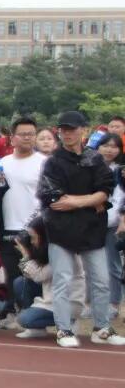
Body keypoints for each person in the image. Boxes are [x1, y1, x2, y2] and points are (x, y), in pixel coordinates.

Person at [37, 111, 125, 347]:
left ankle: (102, 328)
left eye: (72, 129)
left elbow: (105, 190)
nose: (67, 133)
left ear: (83, 130)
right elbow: (53, 198)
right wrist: (91, 200)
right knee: (63, 280)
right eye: (63, 129)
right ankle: (63, 329)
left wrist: (77, 201)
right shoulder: (53, 162)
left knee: (101, 280)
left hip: (92, 229)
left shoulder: (94, 159)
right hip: (61, 229)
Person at [0, 117, 47, 324]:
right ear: (12, 138)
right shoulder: (1, 163)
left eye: (31, 134)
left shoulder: (44, 162)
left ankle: (32, 314)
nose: (27, 138)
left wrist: (37, 224)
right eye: (22, 134)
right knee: (9, 272)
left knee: (34, 273)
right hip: (8, 226)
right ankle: (8, 311)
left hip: (35, 229)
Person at [14, 214, 85, 339]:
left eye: (33, 238)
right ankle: (37, 329)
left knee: (25, 319)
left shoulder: (62, 252)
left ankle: (69, 321)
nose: (31, 242)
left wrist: (26, 254)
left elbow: (39, 276)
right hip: (52, 298)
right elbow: (28, 274)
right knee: (20, 282)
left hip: (68, 302)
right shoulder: (47, 250)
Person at [93, 132, 125, 316]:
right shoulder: (90, 168)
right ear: (97, 147)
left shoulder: (120, 171)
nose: (109, 150)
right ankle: (92, 302)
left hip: (113, 223)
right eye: (105, 146)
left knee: (113, 265)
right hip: (91, 224)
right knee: (92, 265)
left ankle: (114, 303)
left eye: (114, 147)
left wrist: (122, 220)